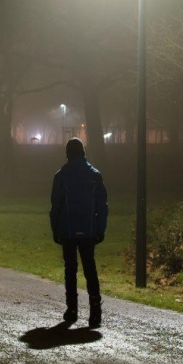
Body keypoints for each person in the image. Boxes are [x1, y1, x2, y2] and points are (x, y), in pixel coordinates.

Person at [49, 137, 108, 328]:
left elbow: (56, 205)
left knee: (70, 269)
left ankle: (72, 309)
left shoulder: (61, 176)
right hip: (89, 228)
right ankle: (95, 311)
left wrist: (55, 228)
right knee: (90, 268)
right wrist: (100, 228)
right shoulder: (95, 175)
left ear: (67, 153)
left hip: (67, 229)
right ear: (83, 152)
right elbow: (102, 205)